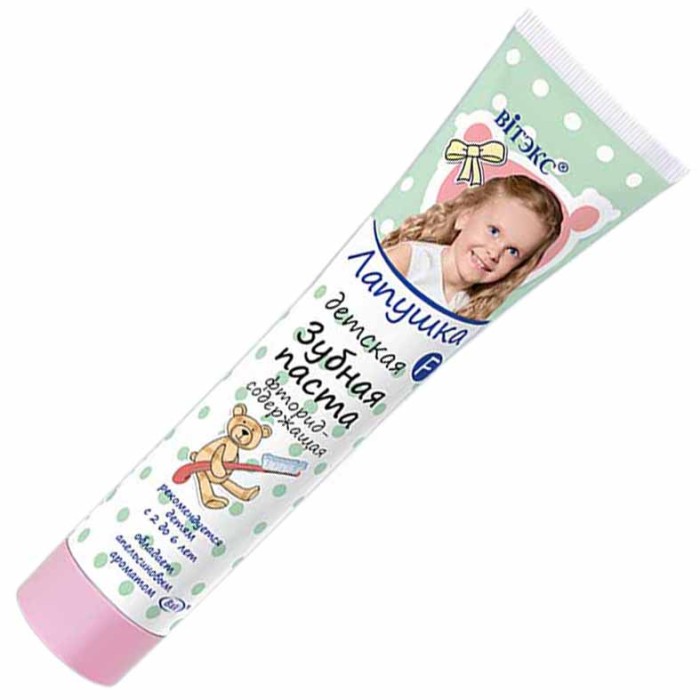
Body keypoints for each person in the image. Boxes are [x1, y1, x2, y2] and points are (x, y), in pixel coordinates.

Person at [382, 174, 563, 320]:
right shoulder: (410, 259)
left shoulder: (469, 307)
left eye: (513, 251)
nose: (494, 253)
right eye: (494, 231)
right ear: (465, 217)